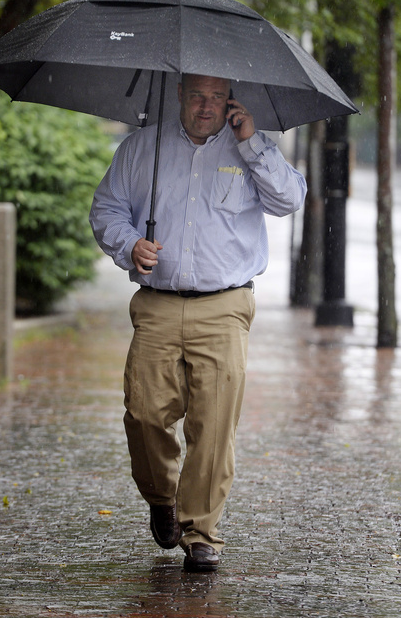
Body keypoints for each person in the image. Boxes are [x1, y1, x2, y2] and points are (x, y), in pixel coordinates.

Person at [89, 73, 306, 572]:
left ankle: (201, 531)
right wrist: (128, 244)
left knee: (213, 425)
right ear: (180, 96)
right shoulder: (143, 147)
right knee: (144, 413)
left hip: (225, 306)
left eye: (216, 97)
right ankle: (161, 496)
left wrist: (252, 142)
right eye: (196, 96)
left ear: (229, 100)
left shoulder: (250, 147)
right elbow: (107, 208)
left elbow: (289, 201)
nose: (206, 106)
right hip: (157, 303)